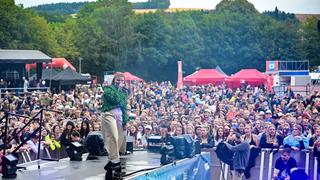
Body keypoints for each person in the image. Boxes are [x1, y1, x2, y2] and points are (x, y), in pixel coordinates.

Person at [100, 72, 128, 178]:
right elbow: (115, 100)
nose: (120, 82)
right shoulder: (108, 89)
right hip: (108, 114)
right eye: (118, 80)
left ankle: (110, 162)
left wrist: (125, 121)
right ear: (114, 80)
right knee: (113, 137)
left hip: (119, 115)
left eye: (122, 80)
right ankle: (116, 162)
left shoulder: (124, 92)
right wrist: (118, 89)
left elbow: (124, 107)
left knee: (120, 140)